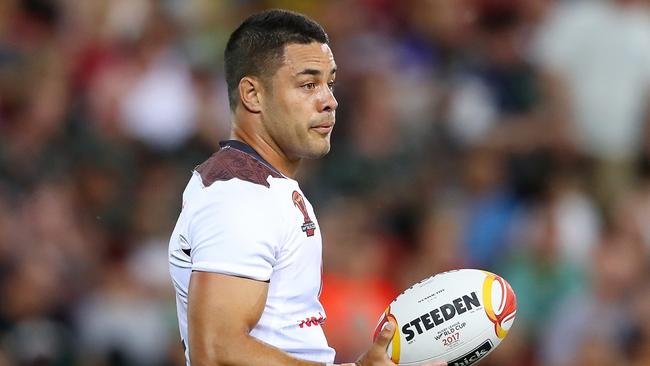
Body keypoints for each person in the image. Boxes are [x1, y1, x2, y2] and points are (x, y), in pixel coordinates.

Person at [168, 9, 444, 366]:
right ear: (252, 94)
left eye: (330, 82)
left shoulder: (265, 188)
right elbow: (216, 351)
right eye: (308, 84)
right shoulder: (240, 196)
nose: (329, 100)